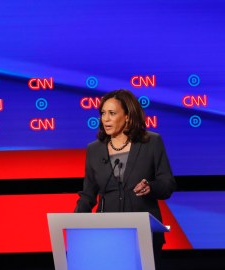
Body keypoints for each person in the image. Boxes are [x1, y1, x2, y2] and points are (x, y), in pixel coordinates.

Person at [74, 89, 176, 258]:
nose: (105, 119)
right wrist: (74, 223)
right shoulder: (94, 149)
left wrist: (151, 187)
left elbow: (167, 184)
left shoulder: (151, 142)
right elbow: (88, 194)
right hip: (107, 234)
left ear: (127, 116)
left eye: (112, 113)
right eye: (103, 113)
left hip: (144, 233)